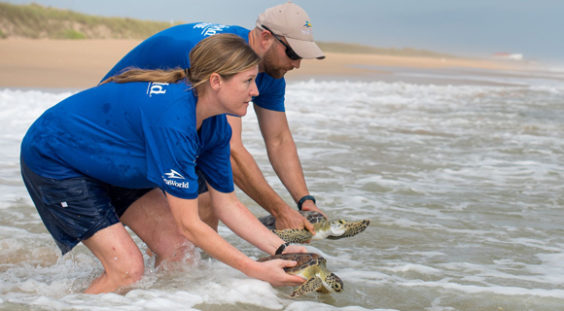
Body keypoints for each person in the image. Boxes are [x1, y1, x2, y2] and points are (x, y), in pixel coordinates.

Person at [20, 34, 306, 294]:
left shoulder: (215, 125)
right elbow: (190, 224)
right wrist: (255, 269)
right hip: (55, 157)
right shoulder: (174, 122)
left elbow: (226, 204)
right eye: (248, 81)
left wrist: (282, 248)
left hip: (111, 158)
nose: (256, 91)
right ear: (216, 81)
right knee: (127, 271)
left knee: (180, 253)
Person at [102, 2, 326, 233]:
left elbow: (278, 139)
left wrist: (305, 201)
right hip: (114, 121)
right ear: (266, 38)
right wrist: (281, 212)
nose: (297, 64)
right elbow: (232, 151)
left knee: (205, 207)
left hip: (169, 118)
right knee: (188, 216)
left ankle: (194, 267)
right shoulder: (226, 56)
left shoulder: (271, 72)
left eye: (302, 56)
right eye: (292, 53)